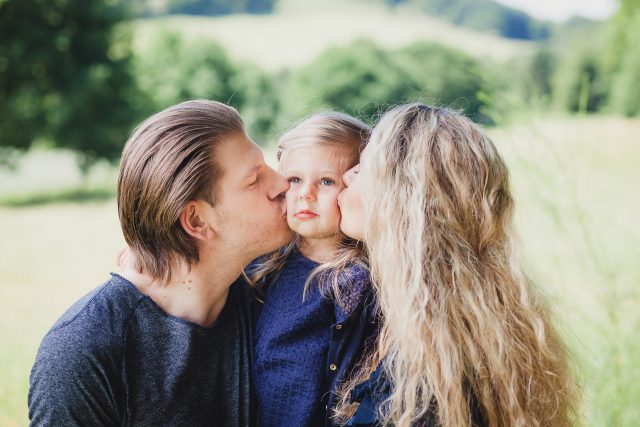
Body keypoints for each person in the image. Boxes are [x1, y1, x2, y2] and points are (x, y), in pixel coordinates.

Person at [28, 99, 293, 426]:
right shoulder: (82, 353)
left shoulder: (276, 289)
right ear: (196, 221)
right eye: (254, 180)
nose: (282, 183)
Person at [334, 104, 578, 426]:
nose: (347, 175)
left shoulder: (425, 369)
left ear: (400, 199)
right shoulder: (481, 322)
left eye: (364, 168)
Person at [246, 112, 377, 427]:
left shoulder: (358, 279)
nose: (306, 193)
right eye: (294, 180)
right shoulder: (264, 261)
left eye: (327, 181)